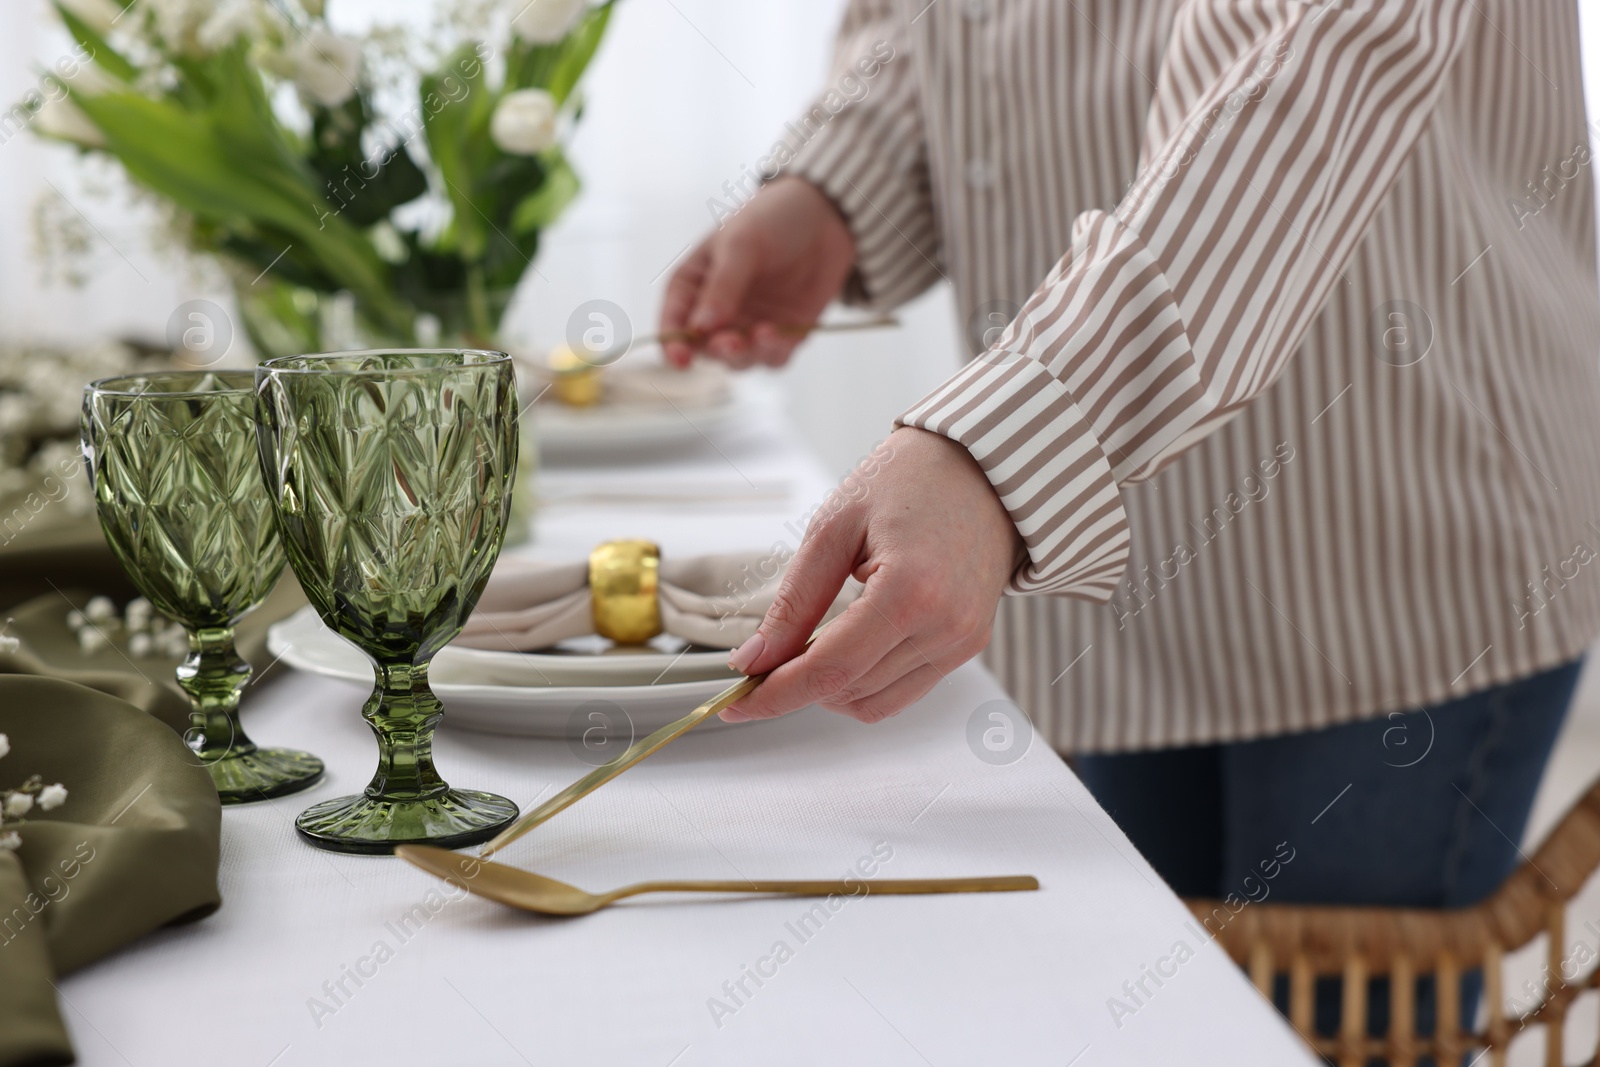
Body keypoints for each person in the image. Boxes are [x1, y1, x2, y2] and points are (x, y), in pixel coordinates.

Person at [660, 0, 1600, 1039]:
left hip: (1392, 539)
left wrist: (1017, 427)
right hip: (1103, 563)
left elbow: (1315, 69)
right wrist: (836, 185)